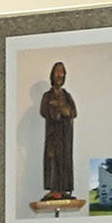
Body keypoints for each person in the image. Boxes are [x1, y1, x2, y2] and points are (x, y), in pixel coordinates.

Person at [38, 61, 77, 201]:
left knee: (64, 159)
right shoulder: (47, 96)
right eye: (57, 72)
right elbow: (43, 111)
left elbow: (73, 112)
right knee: (52, 159)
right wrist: (55, 110)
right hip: (53, 134)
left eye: (62, 72)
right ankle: (54, 190)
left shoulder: (67, 96)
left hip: (65, 134)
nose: (60, 75)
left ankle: (63, 189)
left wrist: (62, 107)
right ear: (52, 75)